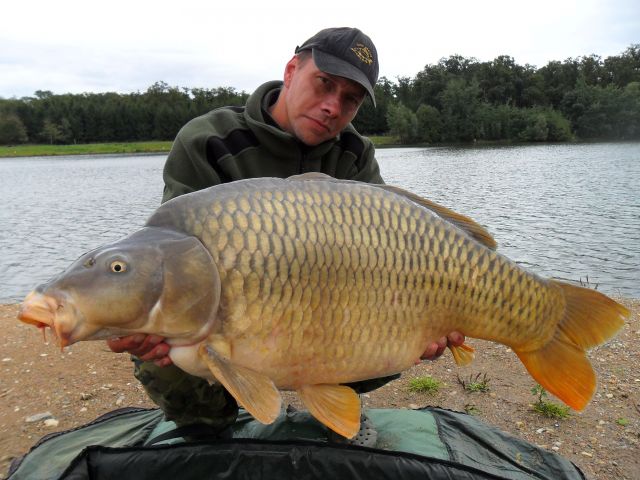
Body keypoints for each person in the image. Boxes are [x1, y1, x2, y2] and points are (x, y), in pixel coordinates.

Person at [108, 27, 465, 436]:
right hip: (225, 313)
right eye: (324, 84)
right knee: (166, 342)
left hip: (321, 313)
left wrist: (433, 314)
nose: (333, 107)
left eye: (350, 99)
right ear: (292, 70)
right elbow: (166, 254)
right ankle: (208, 425)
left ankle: (331, 408)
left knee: (388, 324)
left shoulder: (355, 153)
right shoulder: (209, 140)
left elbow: (387, 254)